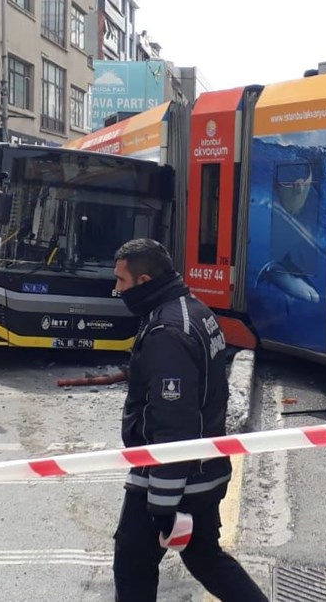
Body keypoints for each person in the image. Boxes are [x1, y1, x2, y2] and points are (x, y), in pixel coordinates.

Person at [112, 238, 267, 602]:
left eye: (121, 281)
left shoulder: (168, 332)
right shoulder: (193, 309)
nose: (116, 289)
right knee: (204, 557)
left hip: (172, 477)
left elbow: (173, 423)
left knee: (132, 565)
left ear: (145, 281)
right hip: (204, 470)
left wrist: (163, 504)